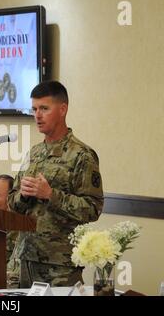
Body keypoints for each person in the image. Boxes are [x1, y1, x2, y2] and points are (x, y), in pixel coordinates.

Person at [7, 80, 104, 288]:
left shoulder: (81, 155)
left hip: (60, 264)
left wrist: (51, 196)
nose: (37, 115)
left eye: (44, 108)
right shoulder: (33, 153)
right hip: (25, 258)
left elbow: (93, 208)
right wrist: (22, 196)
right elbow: (13, 203)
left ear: (62, 109)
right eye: (34, 109)